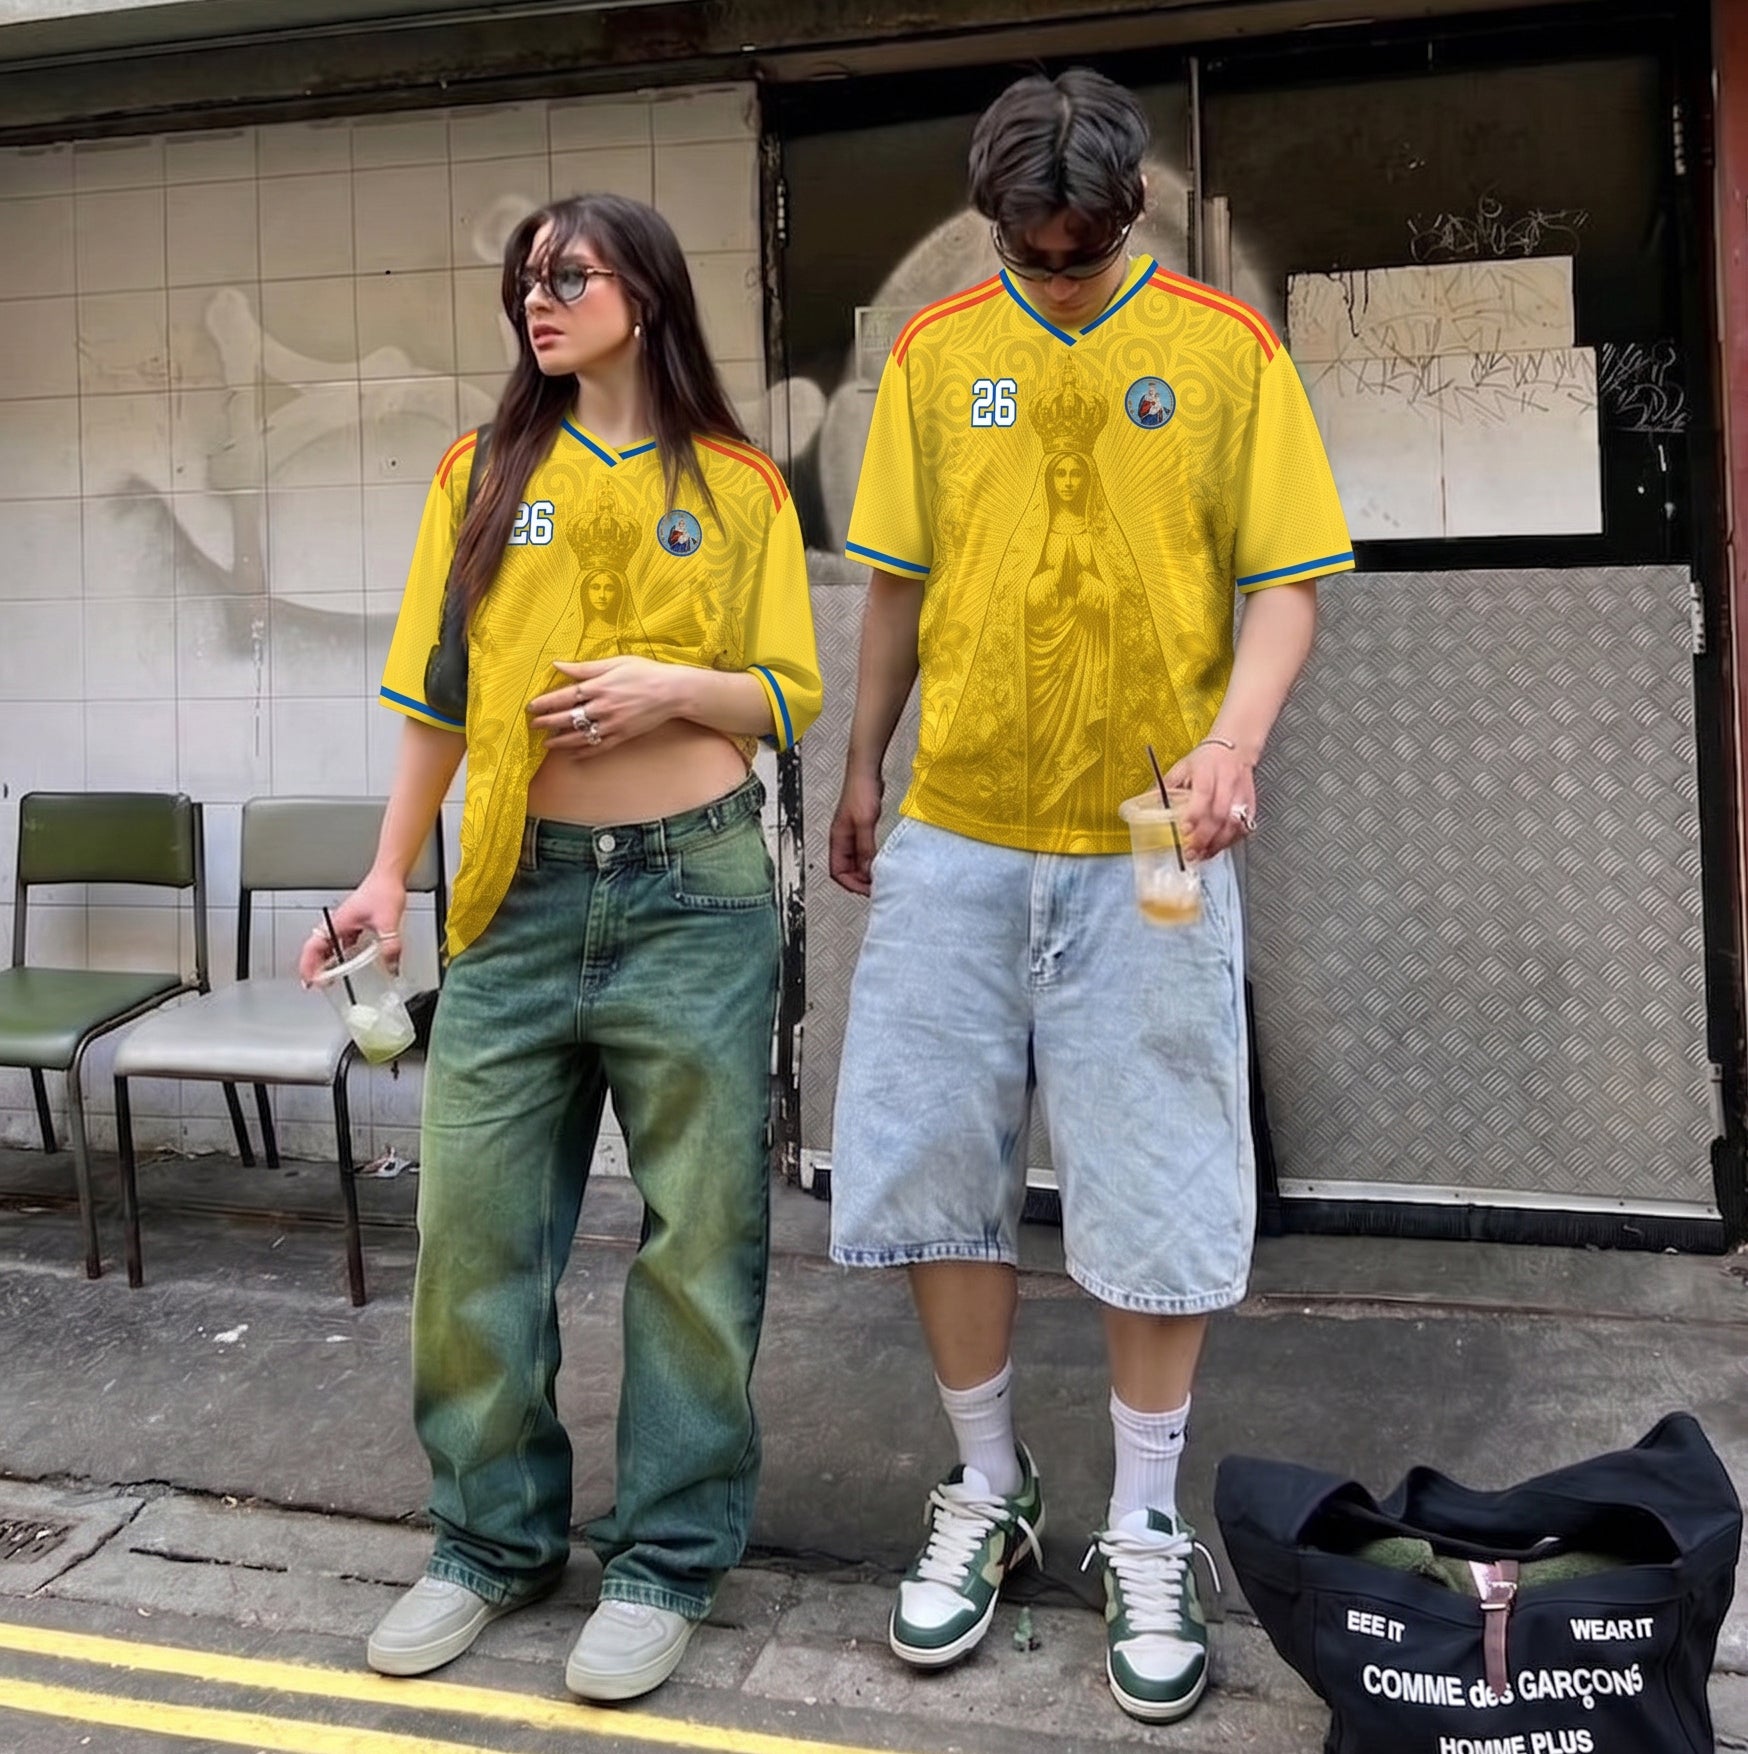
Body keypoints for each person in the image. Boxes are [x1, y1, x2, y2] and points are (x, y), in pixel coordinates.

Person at [827, 69, 1352, 1725]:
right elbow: (896, 586)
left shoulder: (1224, 351)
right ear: (993, 224)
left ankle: (1142, 1517)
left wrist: (1232, 743)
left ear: (1132, 216)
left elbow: (1286, 587)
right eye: (1029, 252)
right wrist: (862, 764)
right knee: (932, 1156)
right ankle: (989, 1484)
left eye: (1083, 251)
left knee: (1153, 1168)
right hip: (958, 827)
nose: (1056, 276)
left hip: (1148, 841)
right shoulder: (935, 355)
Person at [299, 192, 821, 1703]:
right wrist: (387, 873)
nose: (540, 300)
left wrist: (674, 686)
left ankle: (665, 1560)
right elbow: (437, 696)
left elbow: (787, 691)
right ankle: (488, 1540)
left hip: (695, 898)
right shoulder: (479, 474)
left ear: (643, 293)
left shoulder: (737, 484)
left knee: (699, 1240)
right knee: (473, 1234)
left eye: (570, 276)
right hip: (514, 900)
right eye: (526, 280)